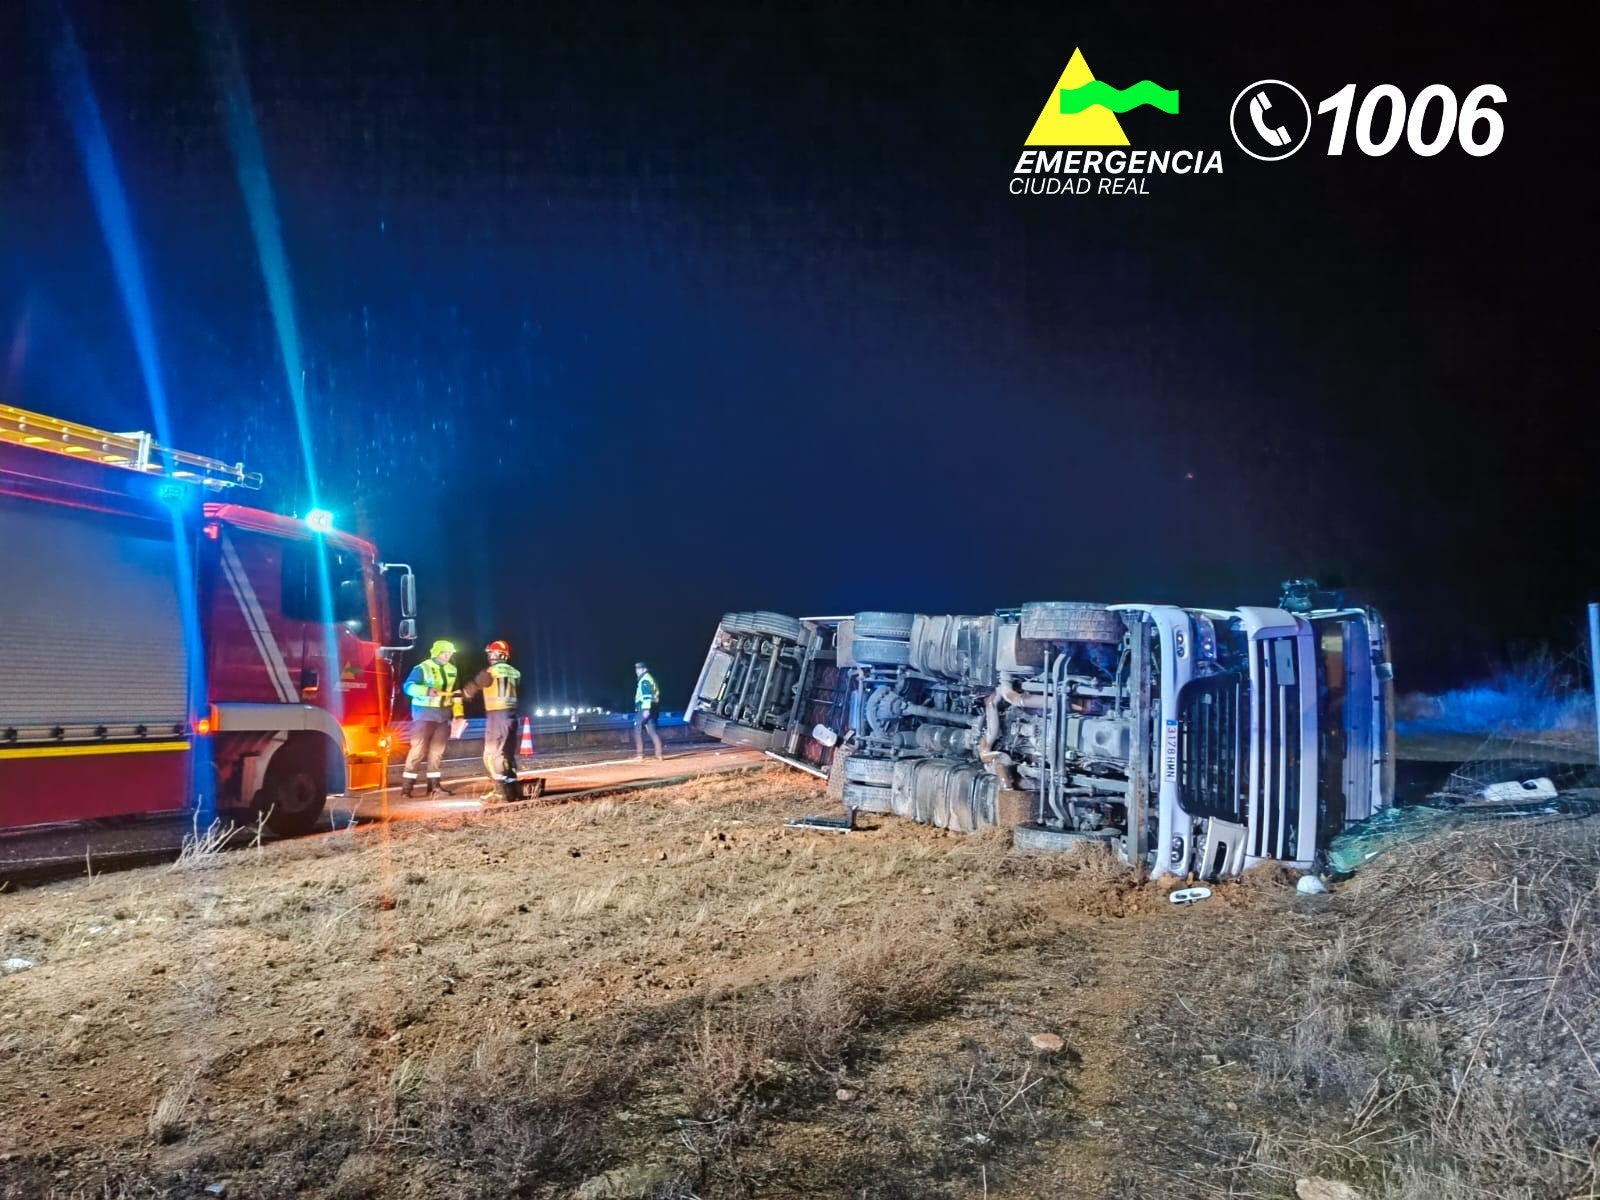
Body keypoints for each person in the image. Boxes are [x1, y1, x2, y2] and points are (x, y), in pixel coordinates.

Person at [462, 639, 522, 802]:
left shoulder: (490, 671)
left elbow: (472, 688)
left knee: (491, 754)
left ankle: (499, 790)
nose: (490, 656)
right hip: (511, 717)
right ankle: (512, 790)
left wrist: (464, 694)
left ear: (499, 655)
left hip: (497, 716)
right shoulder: (515, 672)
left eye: (492, 653)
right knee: (507, 754)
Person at [401, 639, 460, 797]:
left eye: (450, 653)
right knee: (418, 751)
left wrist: (459, 715)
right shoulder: (422, 668)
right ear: (436, 652)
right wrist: (426, 691)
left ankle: (434, 788)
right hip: (424, 715)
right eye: (445, 653)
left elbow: (457, 694)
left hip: (443, 716)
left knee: (436, 753)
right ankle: (406, 789)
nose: (447, 656)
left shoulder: (452, 669)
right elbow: (407, 687)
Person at [633, 660, 663, 761]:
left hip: (646, 708)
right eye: (636, 669)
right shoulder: (651, 679)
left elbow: (646, 695)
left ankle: (640, 754)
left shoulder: (645, 680)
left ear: (644, 670)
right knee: (653, 731)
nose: (637, 671)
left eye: (639, 669)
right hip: (654, 707)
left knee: (637, 729)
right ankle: (658, 755)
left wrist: (646, 709)